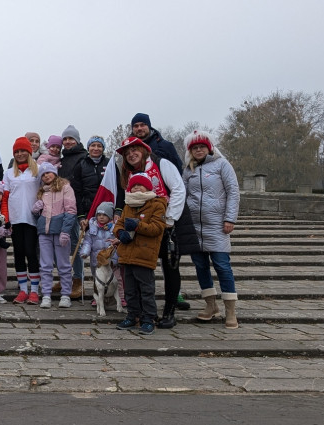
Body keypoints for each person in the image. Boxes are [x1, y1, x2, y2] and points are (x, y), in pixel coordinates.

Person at [87, 135, 197, 329]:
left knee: (170, 268)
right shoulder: (129, 173)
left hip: (169, 220)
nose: (131, 155)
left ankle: (168, 312)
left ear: (144, 150)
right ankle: (136, 313)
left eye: (134, 151)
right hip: (139, 229)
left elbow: (179, 190)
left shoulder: (161, 164)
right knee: (137, 271)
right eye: (127, 153)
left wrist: (169, 219)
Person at [182, 130, 241, 329]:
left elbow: (233, 191)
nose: (198, 150)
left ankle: (230, 311)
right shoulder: (188, 170)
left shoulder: (222, 165)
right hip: (195, 227)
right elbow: (182, 195)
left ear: (209, 148)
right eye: (195, 148)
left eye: (202, 147)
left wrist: (230, 218)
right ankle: (211, 305)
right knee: (200, 267)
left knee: (222, 266)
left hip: (217, 225)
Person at [111, 173, 168, 335]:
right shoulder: (128, 204)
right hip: (127, 254)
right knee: (130, 289)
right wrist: (119, 232)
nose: (136, 188)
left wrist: (138, 225)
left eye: (140, 185)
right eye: (133, 185)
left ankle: (148, 318)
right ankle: (132, 315)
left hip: (144, 254)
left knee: (146, 289)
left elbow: (157, 228)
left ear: (148, 187)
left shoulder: (157, 204)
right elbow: (119, 224)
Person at [32, 162, 76, 308]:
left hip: (60, 231)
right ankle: (46, 294)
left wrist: (66, 231)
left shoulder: (65, 188)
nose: (46, 176)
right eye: (43, 175)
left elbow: (70, 210)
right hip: (44, 232)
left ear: (55, 173)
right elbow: (40, 212)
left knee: (63, 265)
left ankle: (65, 295)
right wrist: (36, 210)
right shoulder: (42, 192)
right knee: (45, 265)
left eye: (48, 173)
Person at [3, 137, 42, 304]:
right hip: (16, 218)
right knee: (18, 254)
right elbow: (4, 198)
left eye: (22, 151)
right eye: (16, 151)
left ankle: (34, 290)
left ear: (29, 152)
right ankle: (23, 290)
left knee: (31, 253)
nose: (19, 154)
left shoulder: (38, 170)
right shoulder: (8, 172)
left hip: (32, 218)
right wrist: (6, 217)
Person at [58, 125, 88, 299]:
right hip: (60, 205)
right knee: (61, 242)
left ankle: (78, 280)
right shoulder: (62, 158)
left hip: (76, 206)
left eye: (71, 139)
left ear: (77, 141)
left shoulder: (83, 157)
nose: (68, 142)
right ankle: (65, 279)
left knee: (76, 240)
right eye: (65, 139)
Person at [79, 202, 124, 309]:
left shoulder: (114, 229)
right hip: (97, 261)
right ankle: (99, 298)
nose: (101, 217)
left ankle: (121, 297)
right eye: (99, 215)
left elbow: (119, 241)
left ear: (110, 216)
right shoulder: (92, 229)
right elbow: (87, 242)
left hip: (112, 260)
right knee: (98, 281)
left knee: (117, 279)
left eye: (104, 215)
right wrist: (85, 252)